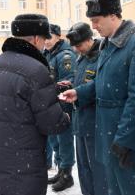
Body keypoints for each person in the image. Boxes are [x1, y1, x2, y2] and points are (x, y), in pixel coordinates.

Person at [61, 0, 135, 195]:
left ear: (113, 15)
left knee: (131, 187)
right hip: (106, 129)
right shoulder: (108, 43)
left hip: (124, 132)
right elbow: (103, 82)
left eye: (96, 20)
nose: (93, 26)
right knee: (113, 188)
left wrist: (125, 139)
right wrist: (79, 92)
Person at [0, 14, 71, 195]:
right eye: (44, 39)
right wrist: (65, 117)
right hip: (22, 169)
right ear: (37, 38)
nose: (44, 44)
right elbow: (52, 123)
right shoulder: (35, 70)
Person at [64, 22, 108, 195]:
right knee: (83, 168)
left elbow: (102, 85)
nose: (77, 49)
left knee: (98, 170)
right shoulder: (82, 57)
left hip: (95, 122)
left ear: (90, 39)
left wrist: (79, 92)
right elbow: (83, 81)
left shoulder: (102, 56)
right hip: (80, 121)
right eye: (74, 46)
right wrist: (71, 85)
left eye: (80, 45)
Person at [43, 23, 76, 192]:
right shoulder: (48, 54)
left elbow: (69, 80)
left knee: (64, 139)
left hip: (62, 103)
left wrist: (52, 89)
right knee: (54, 139)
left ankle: (67, 174)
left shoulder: (65, 56)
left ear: (57, 36)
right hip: (50, 103)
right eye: (45, 37)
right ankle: (60, 168)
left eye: (49, 37)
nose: (46, 41)